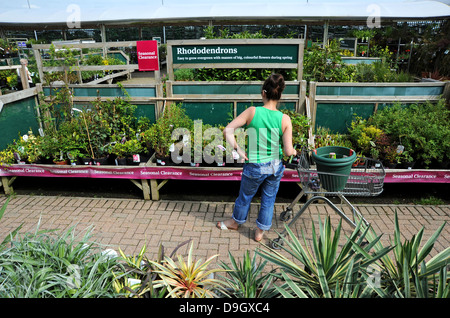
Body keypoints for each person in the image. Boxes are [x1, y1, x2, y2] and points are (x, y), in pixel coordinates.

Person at [217, 73, 297, 242]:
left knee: (245, 196)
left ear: (263, 93)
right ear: (279, 95)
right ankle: (260, 232)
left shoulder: (252, 111)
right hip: (275, 167)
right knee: (269, 199)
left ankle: (234, 222)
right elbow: (289, 151)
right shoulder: (285, 119)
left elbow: (227, 130)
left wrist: (238, 149)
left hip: (254, 165)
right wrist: (294, 152)